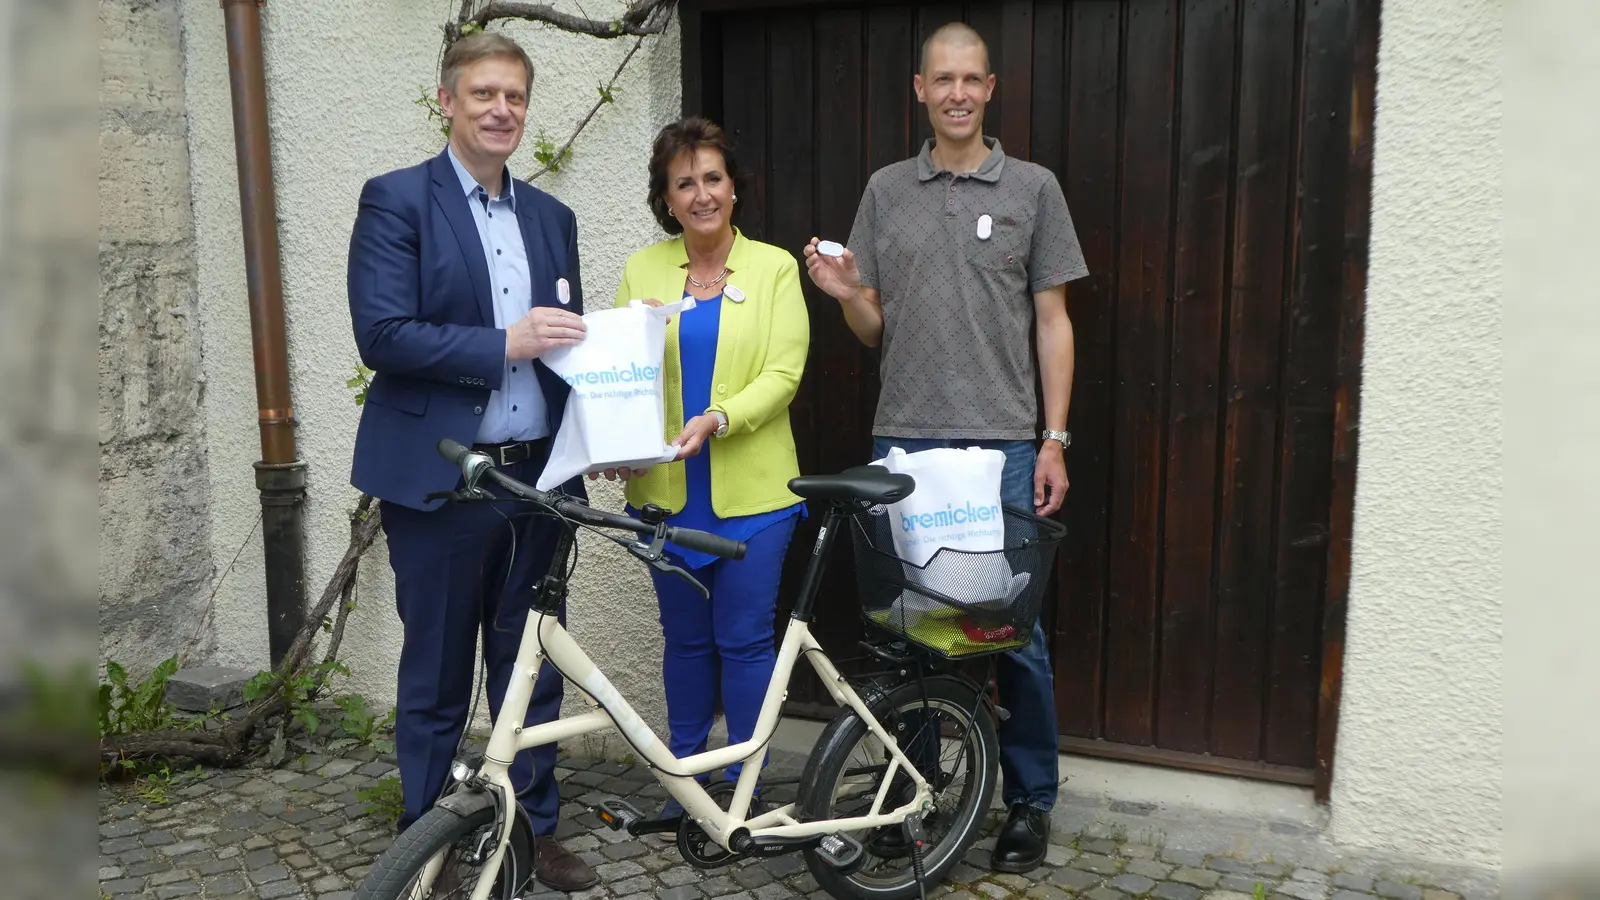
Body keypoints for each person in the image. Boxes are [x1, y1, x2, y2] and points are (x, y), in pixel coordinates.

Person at [803, 22, 1088, 873]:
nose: (957, 93)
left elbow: (1054, 322)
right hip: (906, 444)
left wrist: (1054, 440)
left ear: (990, 88)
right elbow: (873, 328)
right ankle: (917, 792)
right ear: (920, 90)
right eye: (943, 79)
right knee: (913, 631)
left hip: (1003, 447)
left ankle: (1029, 802)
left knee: (1012, 633)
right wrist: (847, 292)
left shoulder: (1034, 189)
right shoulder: (886, 191)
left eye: (971, 79)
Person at [346, 31, 598, 892]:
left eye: (514, 97)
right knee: (438, 675)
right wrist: (502, 343)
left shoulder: (552, 218)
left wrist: (603, 435)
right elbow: (382, 334)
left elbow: (565, 351)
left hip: (536, 481)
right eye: (484, 93)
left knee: (531, 669)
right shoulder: (397, 200)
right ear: (447, 100)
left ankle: (532, 829)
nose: (501, 110)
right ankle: (432, 842)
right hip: (442, 482)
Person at [597, 116, 808, 811]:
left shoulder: (775, 268)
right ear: (667, 198)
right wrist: (615, 444)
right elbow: (622, 372)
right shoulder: (643, 269)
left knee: (744, 643)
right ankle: (686, 782)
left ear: (733, 187)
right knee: (685, 642)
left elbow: (783, 374)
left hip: (756, 498)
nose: (701, 194)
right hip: (665, 494)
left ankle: (745, 787)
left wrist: (719, 417)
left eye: (712, 178)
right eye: (684, 183)